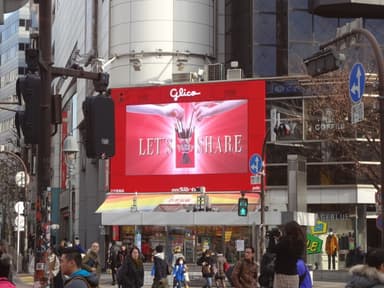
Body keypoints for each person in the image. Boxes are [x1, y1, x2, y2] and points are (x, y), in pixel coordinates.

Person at [270, 221, 306, 288]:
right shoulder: (300, 242)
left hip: (282, 275)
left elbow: (272, 249)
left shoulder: (285, 242)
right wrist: (281, 238)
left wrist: (271, 237)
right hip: (294, 275)